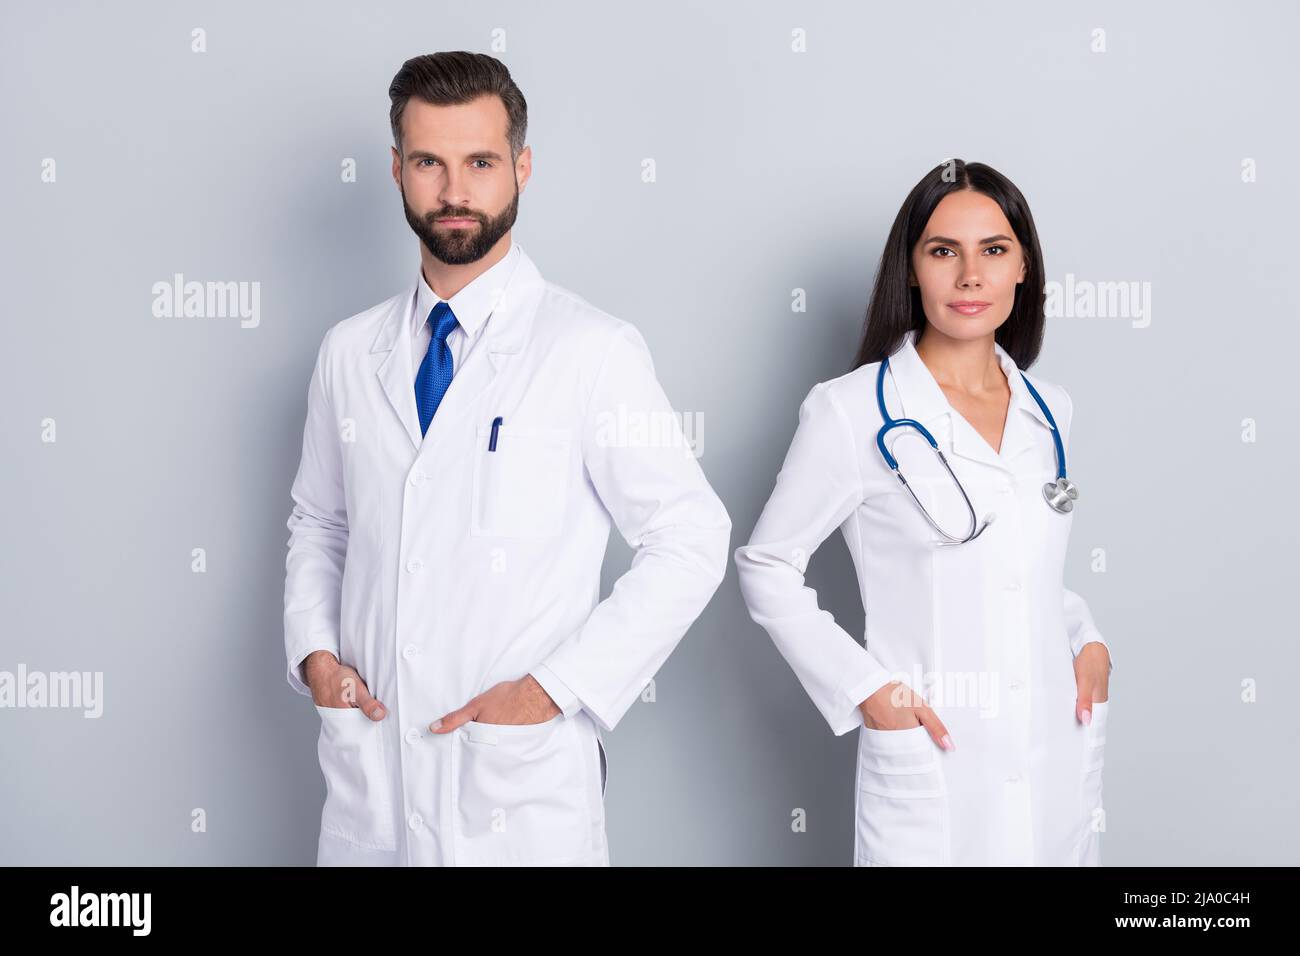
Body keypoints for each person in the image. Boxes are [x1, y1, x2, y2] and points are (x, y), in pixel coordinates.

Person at [283, 51, 731, 866]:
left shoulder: (590, 351)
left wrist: (554, 692)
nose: (455, 191)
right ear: (396, 171)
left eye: (480, 162)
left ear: (521, 166)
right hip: (372, 790)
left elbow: (692, 536)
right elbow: (322, 520)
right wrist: (315, 654)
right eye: (429, 162)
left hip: (517, 800)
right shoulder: (349, 353)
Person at [734, 159, 1114, 866]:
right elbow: (766, 566)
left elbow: (1022, 574)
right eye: (944, 251)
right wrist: (870, 691)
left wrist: (1088, 639)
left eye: (993, 251)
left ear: (1023, 266)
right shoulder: (851, 411)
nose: (971, 276)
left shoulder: (1049, 410)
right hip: (934, 762)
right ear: (910, 270)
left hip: (1052, 749)